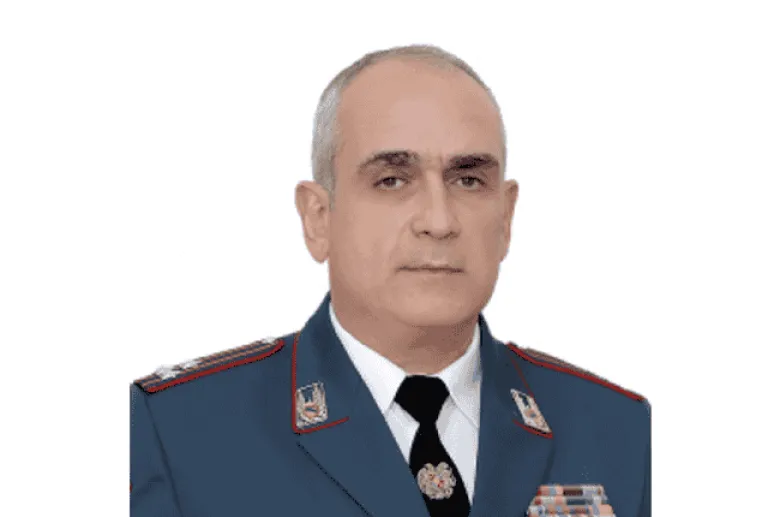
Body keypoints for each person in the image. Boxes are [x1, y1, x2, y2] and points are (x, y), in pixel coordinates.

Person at [130, 44, 651, 517]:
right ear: (318, 219)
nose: (439, 221)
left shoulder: (622, 433)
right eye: (392, 180)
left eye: (469, 179)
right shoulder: (175, 434)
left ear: (506, 218)